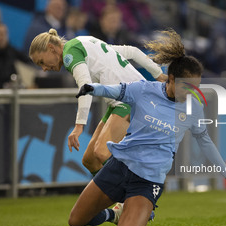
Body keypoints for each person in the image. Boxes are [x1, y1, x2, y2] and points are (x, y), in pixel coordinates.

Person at [68, 29, 226, 226]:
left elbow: (205, 142)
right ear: (171, 79)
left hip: (148, 180)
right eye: (187, 86)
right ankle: (113, 215)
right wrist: (91, 88)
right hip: (120, 166)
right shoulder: (143, 90)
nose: (191, 92)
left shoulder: (193, 107)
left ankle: (132, 216)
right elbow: (115, 91)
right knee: (76, 220)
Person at [29, 29, 166, 176]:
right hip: (122, 101)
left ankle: (137, 188)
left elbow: (85, 87)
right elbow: (132, 51)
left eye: (41, 62)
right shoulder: (83, 41)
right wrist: (158, 74)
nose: (43, 69)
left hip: (131, 99)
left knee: (102, 152)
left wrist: (79, 126)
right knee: (90, 160)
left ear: (51, 48)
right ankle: (116, 196)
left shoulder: (70, 54)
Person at [0, 22, 31, 89]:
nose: (1, 37)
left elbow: (29, 61)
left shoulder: (11, 51)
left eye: (4, 34)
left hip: (12, 94)